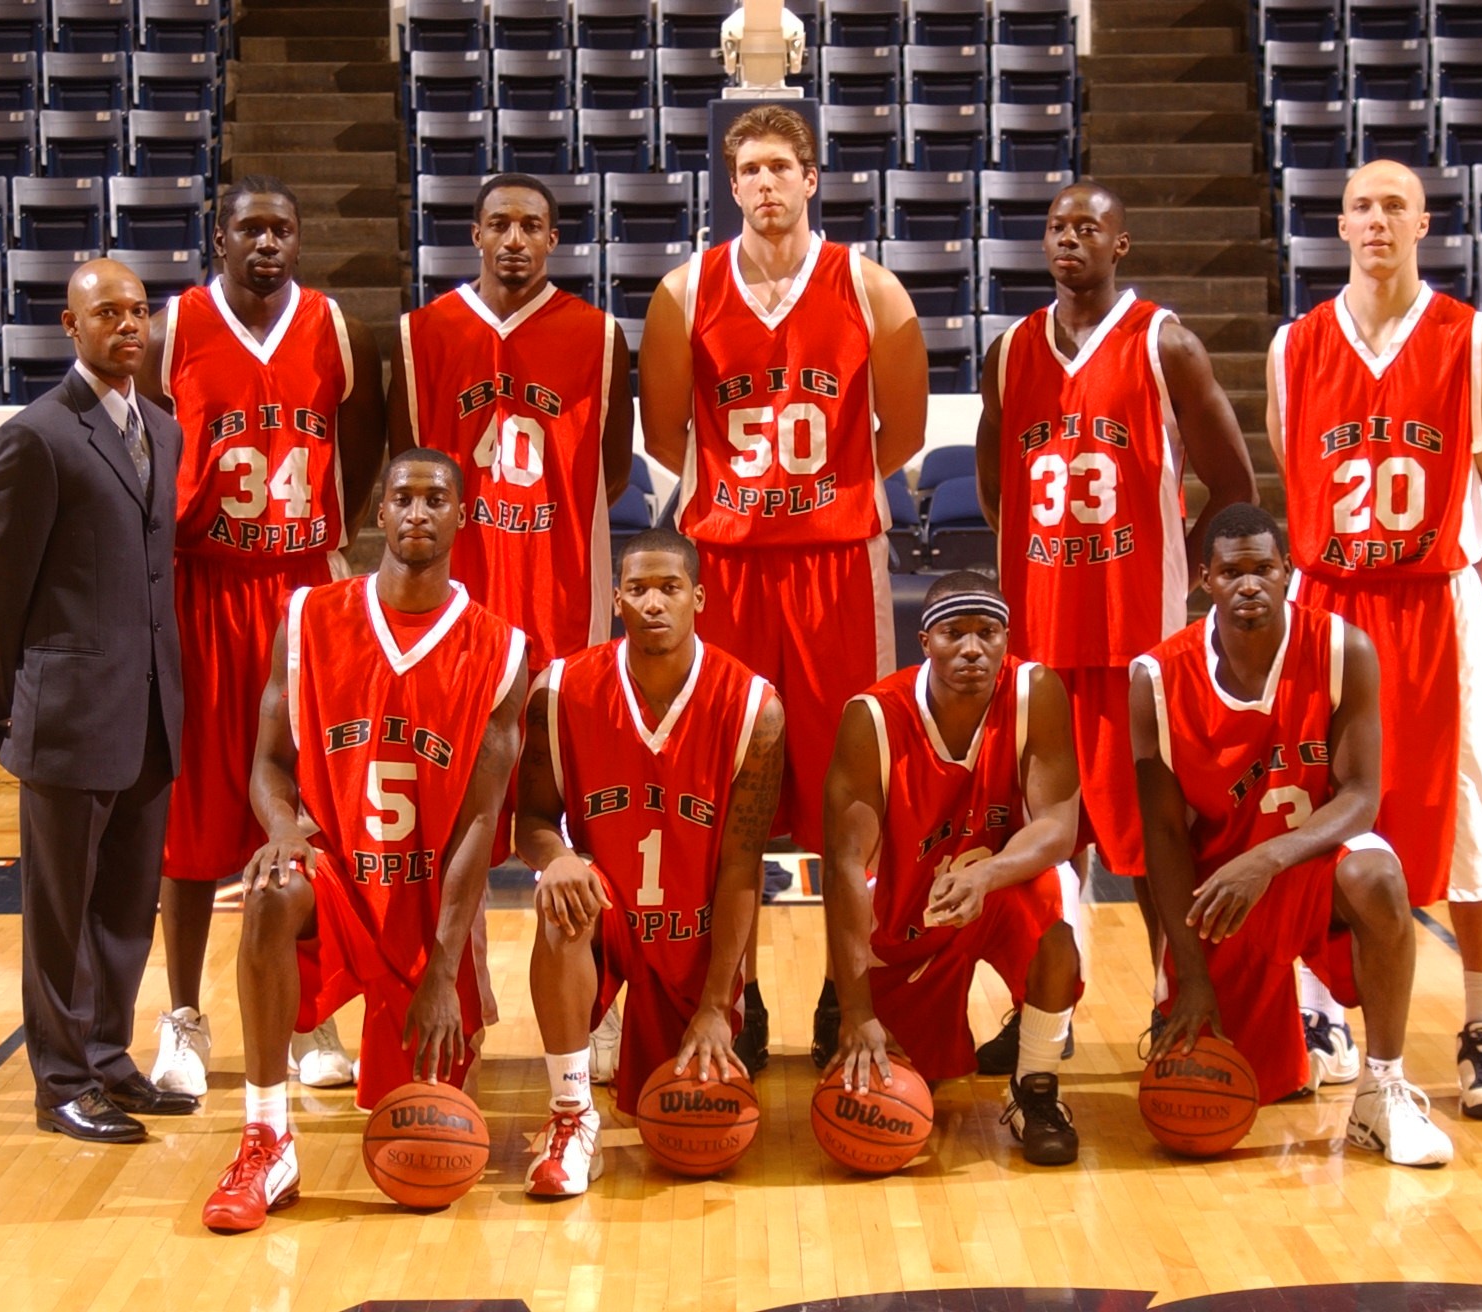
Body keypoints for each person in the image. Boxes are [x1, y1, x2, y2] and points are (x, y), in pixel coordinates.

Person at [639, 105, 928, 1070]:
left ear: (812, 178)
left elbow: (904, 433)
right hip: (724, 567)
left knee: (849, 796)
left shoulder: (870, 287)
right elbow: (666, 434)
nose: (766, 184)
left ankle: (851, 992)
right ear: (732, 186)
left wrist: (823, 494)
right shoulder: (685, 291)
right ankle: (738, 993)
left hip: (835, 565)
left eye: (781, 167)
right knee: (729, 795)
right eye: (750, 170)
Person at [971, 180, 1258, 1072]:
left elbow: (1234, 485)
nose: (1070, 239)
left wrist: (1176, 567)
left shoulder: (1165, 343)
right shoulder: (1009, 351)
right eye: (1057, 226)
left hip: (1138, 646)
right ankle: (1043, 1020)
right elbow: (995, 486)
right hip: (1039, 646)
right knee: (1045, 851)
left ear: (1120, 244)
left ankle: (1179, 1006)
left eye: (1088, 227)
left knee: (1157, 846)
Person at [200, 449, 526, 1233]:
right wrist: (285, 830)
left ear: (461, 516)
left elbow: (481, 823)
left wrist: (443, 970)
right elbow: (269, 763)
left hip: (426, 907)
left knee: (427, 1134)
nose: (417, 512)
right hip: (340, 881)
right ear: (379, 514)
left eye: (435, 499)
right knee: (271, 889)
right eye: (402, 498)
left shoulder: (500, 650)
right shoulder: (309, 618)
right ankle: (266, 1140)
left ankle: (429, 1011)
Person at [1266, 159, 1482, 1118]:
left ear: (1424, 224)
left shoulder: (1472, 337)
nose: (1377, 220)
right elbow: (1294, 476)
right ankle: (1320, 1008)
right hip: (1330, 600)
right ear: (1340, 225)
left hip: (1433, 601)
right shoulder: (1294, 346)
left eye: (1395, 206)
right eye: (1362, 207)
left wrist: (1463, 576)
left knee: (1466, 812)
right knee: (1314, 807)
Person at [134, 174, 386, 1099]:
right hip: (202, 587)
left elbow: (363, 449)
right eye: (251, 229)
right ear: (220, 237)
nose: (267, 243)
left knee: (311, 809)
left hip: (301, 588)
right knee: (194, 820)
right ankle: (184, 1017)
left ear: (300, 239)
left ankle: (310, 1013)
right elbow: (143, 455)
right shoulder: (173, 330)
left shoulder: (337, 330)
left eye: (282, 229)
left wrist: (323, 536)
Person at [1131, 503, 1452, 1168]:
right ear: (1206, 581)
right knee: (1208, 1105)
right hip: (1221, 900)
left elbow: (1361, 797)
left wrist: (1268, 859)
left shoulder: (1342, 650)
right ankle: (1283, 1033)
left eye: (1263, 569)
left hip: (1309, 869)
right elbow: (1161, 837)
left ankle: (1382, 1091)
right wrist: (1191, 976)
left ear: (1287, 573)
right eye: (1231, 572)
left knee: (1378, 875)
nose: (1248, 584)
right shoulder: (1156, 678)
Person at [0, 258, 194, 1142]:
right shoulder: (36, 436)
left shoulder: (162, 428)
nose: (128, 325)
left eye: (139, 311)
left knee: (128, 908)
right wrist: (7, 701)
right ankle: (60, 1082)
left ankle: (106, 1058)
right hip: (65, 714)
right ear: (71, 325)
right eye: (108, 313)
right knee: (61, 916)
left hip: (148, 711)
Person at [512, 527, 785, 1197]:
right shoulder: (562, 689)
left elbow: (742, 866)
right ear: (617, 600)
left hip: (694, 937)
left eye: (670, 588)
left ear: (699, 598)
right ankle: (571, 1116)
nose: (653, 603)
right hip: (607, 915)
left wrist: (718, 1004)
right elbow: (532, 821)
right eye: (637, 589)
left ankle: (689, 1023)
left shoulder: (755, 708)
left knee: (692, 1133)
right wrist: (557, 857)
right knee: (561, 905)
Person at [821, 573, 1084, 1167]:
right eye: (954, 633)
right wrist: (855, 1011)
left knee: (1054, 892)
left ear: (1006, 639)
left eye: (987, 633)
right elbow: (842, 870)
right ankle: (891, 1021)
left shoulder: (1035, 691)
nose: (972, 649)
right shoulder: (873, 717)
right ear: (925, 642)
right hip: (904, 925)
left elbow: (1058, 829)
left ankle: (1036, 1087)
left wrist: (986, 876)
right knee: (904, 1096)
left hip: (991, 895)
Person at [388, 172, 633, 674]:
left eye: (531, 226)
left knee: (555, 712)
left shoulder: (597, 335)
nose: (515, 240)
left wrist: (547, 513)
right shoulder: (424, 333)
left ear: (552, 239)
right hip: (457, 568)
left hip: (557, 572)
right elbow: (405, 469)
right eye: (500, 224)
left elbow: (612, 473)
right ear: (477, 234)